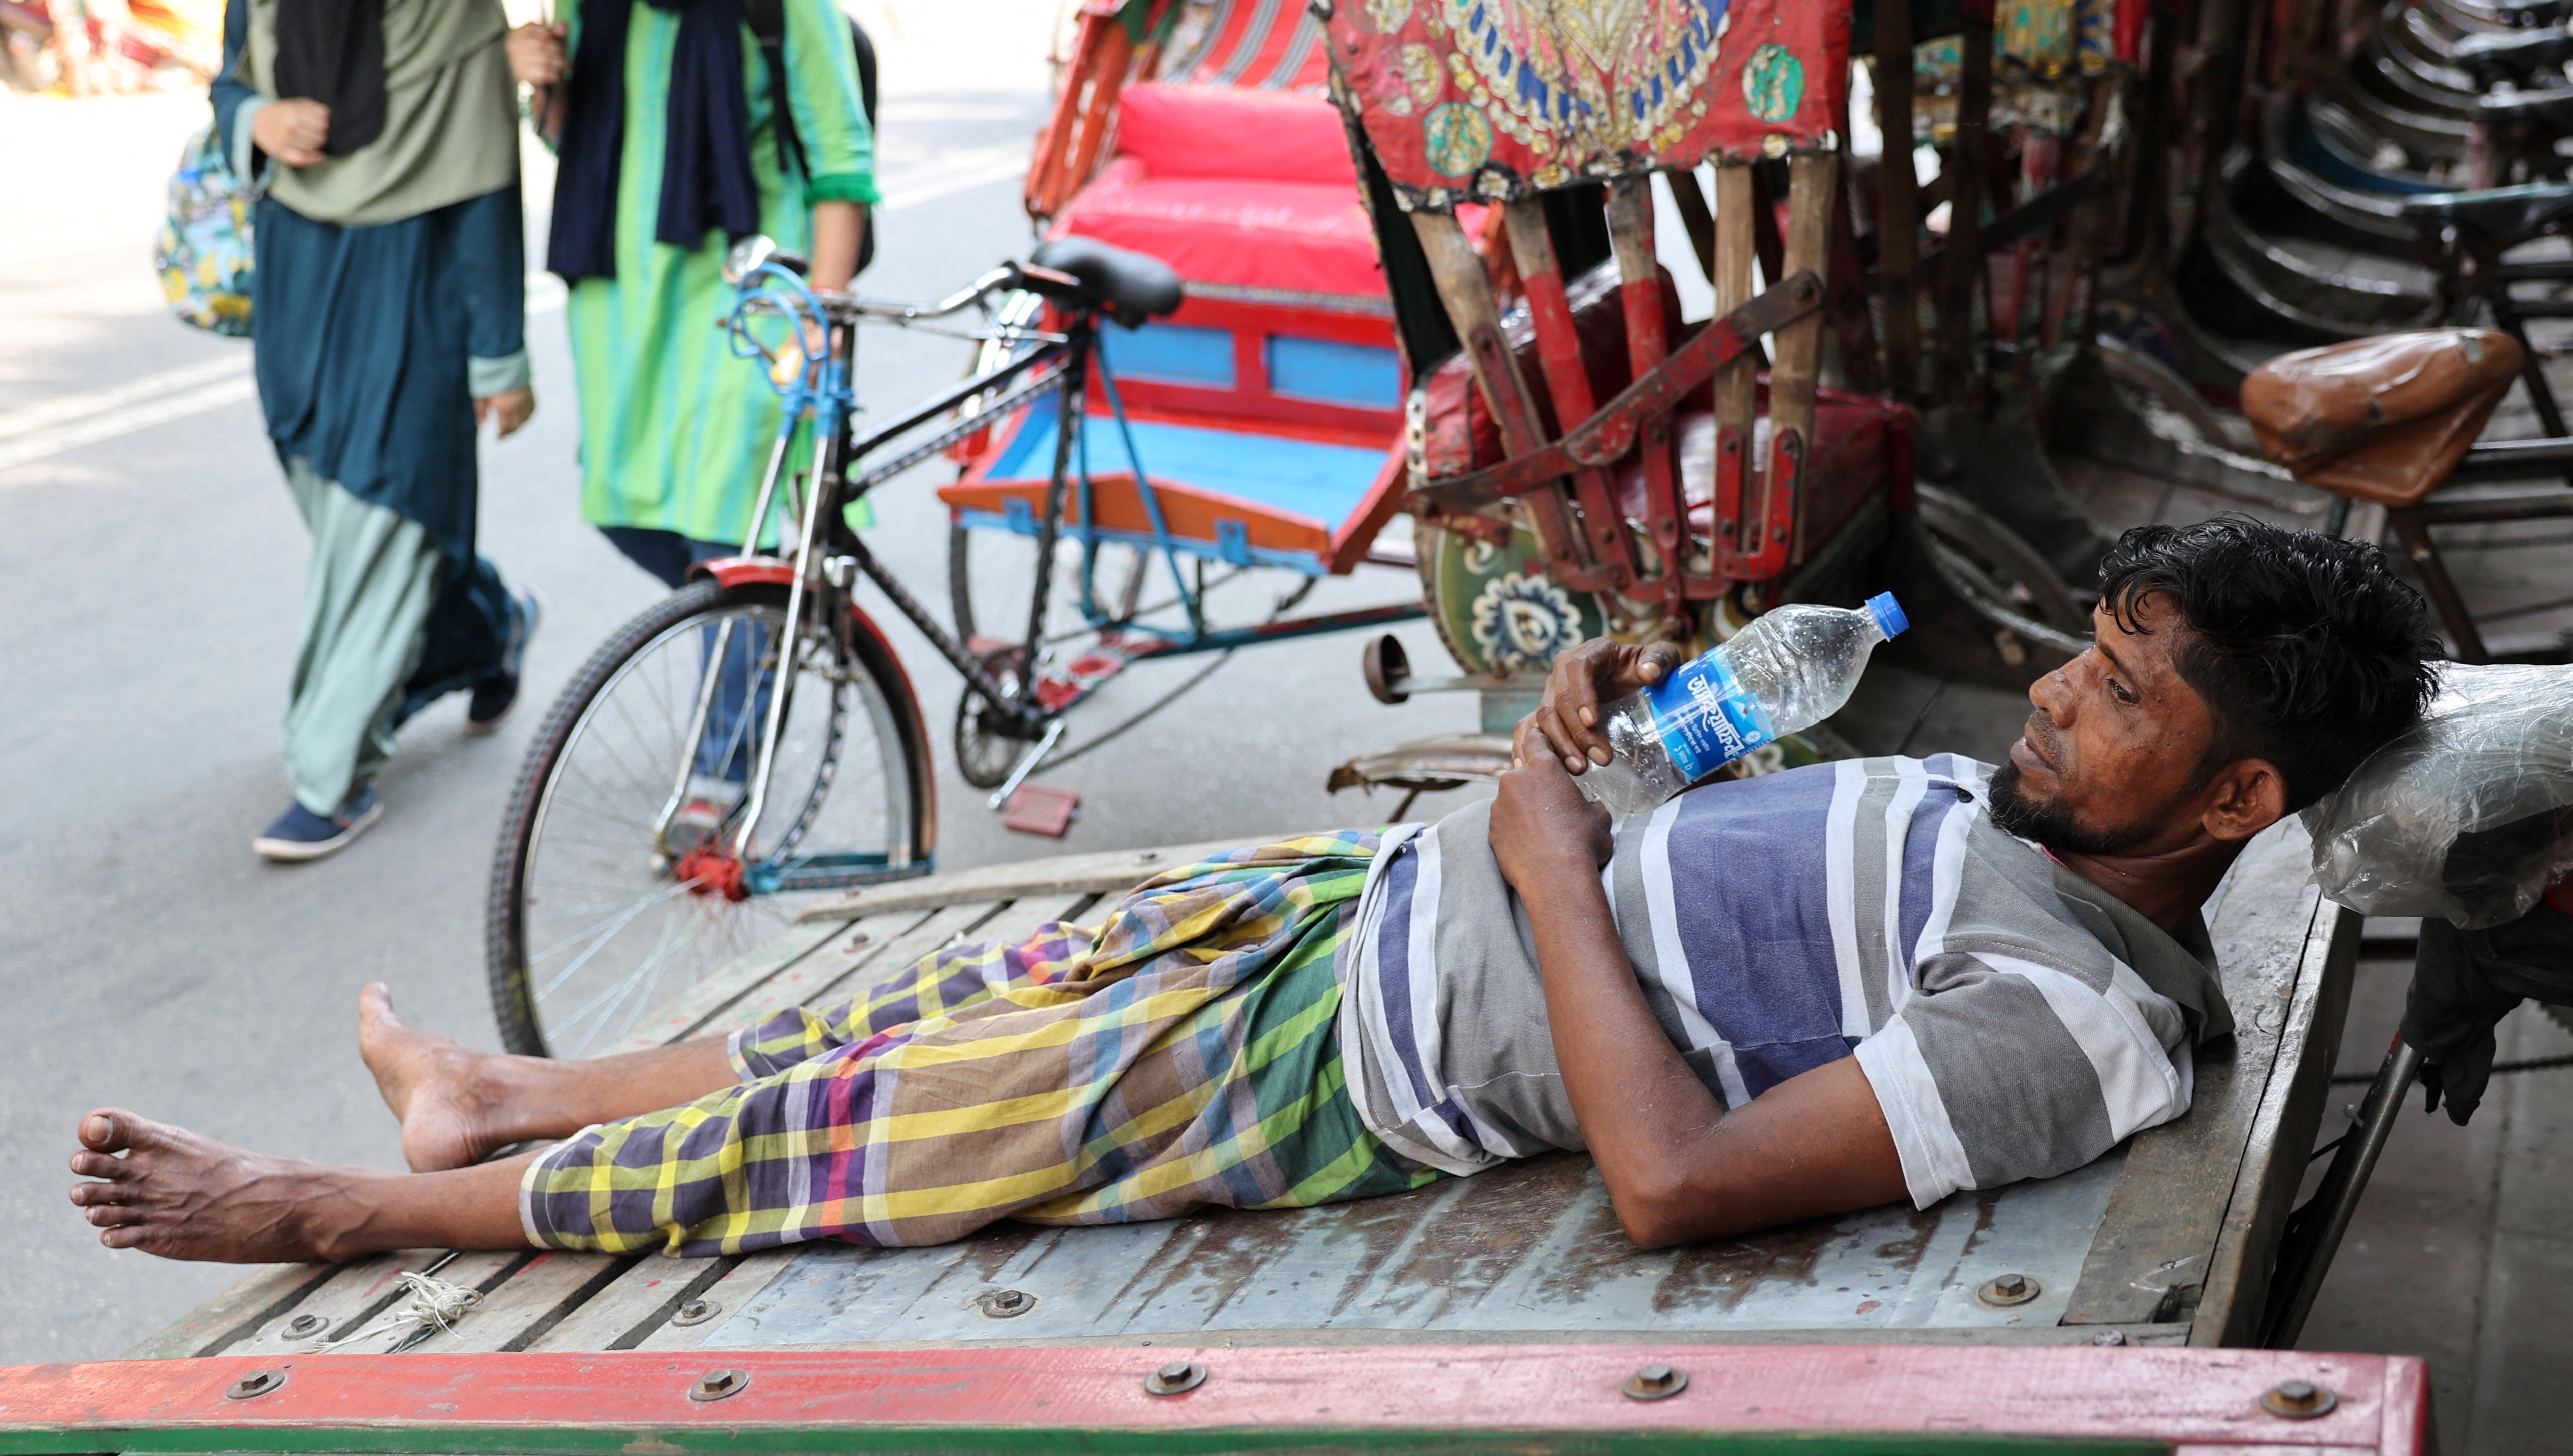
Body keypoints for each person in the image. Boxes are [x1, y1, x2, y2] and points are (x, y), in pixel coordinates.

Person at [69, 517, 2437, 1263]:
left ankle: (338, 1210)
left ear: (2226, 798)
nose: (2043, 696)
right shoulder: (2033, 820)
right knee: (887, 1012)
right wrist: (1603, 770)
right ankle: (495, 1093)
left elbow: (1671, 1176)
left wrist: (1548, 868)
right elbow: (1753, 893)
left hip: (1361, 1053)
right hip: (1373, 907)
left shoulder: (2081, 1020)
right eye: (2077, 649)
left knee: (859, 1145)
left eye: (2115, 694)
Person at [502, 0, 876, 828]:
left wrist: (826, 317)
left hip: (750, 301)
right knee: (631, 509)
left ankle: (720, 774)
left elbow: (840, 160)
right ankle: (768, 618)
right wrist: (544, 80)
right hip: (619, 291)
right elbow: (575, 136)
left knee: (732, 534)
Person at [209, 0, 538, 864]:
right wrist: (260, 115)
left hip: (416, 292)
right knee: (337, 500)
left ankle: (331, 766)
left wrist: (501, 353)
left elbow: (488, 187)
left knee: (388, 513)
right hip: (300, 283)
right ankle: (491, 623)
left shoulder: (456, 1)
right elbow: (222, 94)